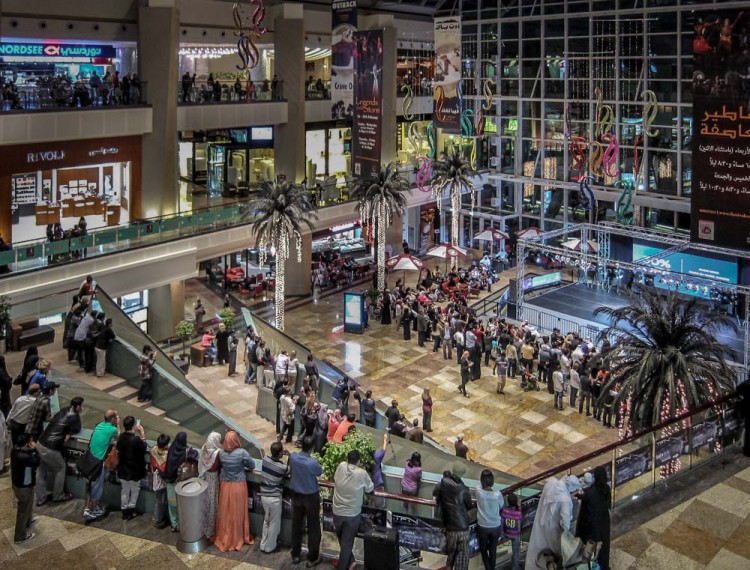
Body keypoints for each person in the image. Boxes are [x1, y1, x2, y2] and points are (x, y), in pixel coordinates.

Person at [524, 476, 582, 570]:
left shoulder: (551, 483)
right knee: (554, 553)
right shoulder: (565, 500)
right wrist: (567, 535)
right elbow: (565, 522)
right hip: (554, 529)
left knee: (538, 545)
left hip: (542, 522)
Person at [35, 397, 83, 506]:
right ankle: (58, 495)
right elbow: (78, 428)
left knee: (41, 471)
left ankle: (40, 498)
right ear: (78, 407)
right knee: (61, 468)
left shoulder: (64, 410)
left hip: (40, 443)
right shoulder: (74, 416)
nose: (82, 408)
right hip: (50, 448)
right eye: (81, 406)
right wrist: (69, 433)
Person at [213, 431, 255, 552]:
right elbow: (252, 465)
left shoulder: (221, 453)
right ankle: (237, 537)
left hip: (225, 485)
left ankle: (225, 535)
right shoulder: (242, 452)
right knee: (238, 513)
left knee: (226, 513)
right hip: (238, 486)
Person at [332, 450, 374, 570]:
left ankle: (351, 562)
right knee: (347, 543)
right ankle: (343, 566)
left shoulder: (341, 466)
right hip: (352, 515)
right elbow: (370, 488)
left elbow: (335, 479)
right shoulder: (362, 473)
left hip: (337, 511)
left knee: (342, 539)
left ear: (347, 459)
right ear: (359, 461)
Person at [289, 437, 323, 566]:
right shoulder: (312, 462)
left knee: (296, 525)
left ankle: (296, 554)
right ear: (312, 448)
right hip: (310, 497)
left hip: (296, 495)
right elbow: (319, 472)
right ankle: (312, 557)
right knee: (313, 526)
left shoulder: (293, 457)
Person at [433, 464, 473, 570]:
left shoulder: (443, 483)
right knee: (463, 558)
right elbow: (469, 506)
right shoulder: (464, 489)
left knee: (450, 557)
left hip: (450, 527)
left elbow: (436, 495)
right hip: (463, 528)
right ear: (462, 474)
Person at [83, 409, 120, 522]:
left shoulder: (99, 426)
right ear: (113, 419)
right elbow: (119, 438)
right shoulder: (113, 429)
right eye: (116, 417)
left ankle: (87, 508)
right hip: (97, 463)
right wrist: (118, 424)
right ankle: (94, 510)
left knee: (89, 485)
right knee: (97, 487)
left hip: (87, 460)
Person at [575, 466, 611, 570]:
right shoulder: (606, 489)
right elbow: (608, 505)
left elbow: (585, 506)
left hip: (591, 525)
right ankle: (603, 566)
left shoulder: (589, 492)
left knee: (589, 549)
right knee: (603, 548)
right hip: (603, 523)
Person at [163, 431, 198, 532]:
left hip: (170, 480)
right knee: (182, 505)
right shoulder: (187, 451)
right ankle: (182, 525)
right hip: (181, 481)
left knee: (172, 505)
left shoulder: (171, 449)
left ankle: (174, 524)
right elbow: (195, 454)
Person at [260, 441, 289, 554]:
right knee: (274, 523)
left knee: (266, 521)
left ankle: (263, 544)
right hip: (274, 498)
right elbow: (288, 470)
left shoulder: (265, 460)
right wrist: (290, 456)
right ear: (280, 453)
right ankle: (270, 547)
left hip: (263, 496)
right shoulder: (282, 467)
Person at [116, 416, 147, 520]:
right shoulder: (136, 440)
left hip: (123, 469)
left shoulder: (121, 437)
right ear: (134, 426)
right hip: (134, 471)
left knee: (124, 490)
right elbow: (143, 448)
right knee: (135, 490)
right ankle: (131, 510)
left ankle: (124, 510)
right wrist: (142, 434)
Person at [11, 434, 40, 544]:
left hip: (25, 483)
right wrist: (35, 450)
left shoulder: (15, 449)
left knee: (29, 503)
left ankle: (28, 522)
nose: (32, 442)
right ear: (26, 443)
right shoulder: (24, 456)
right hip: (23, 487)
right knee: (23, 510)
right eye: (31, 441)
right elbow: (37, 461)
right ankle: (19, 536)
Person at [476, 469, 503, 570]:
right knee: (493, 550)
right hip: (495, 525)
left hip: (482, 526)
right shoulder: (498, 494)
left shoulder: (478, 491)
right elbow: (501, 506)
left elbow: (479, 485)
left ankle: (488, 568)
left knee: (483, 549)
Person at [198, 432, 222, 539]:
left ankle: (203, 527)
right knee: (212, 503)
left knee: (204, 502)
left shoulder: (204, 448)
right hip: (213, 479)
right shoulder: (218, 452)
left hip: (204, 477)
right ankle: (211, 529)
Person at [150, 433, 171, 529]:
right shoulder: (166, 455)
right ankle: (158, 520)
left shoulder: (153, 450)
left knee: (159, 502)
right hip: (161, 483)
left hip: (155, 480)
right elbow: (164, 468)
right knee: (161, 503)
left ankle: (157, 518)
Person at [502, 493, 522, 570]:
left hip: (507, 532)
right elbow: (519, 526)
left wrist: (503, 534)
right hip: (515, 535)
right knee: (516, 552)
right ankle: (515, 567)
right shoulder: (518, 513)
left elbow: (502, 522)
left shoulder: (505, 511)